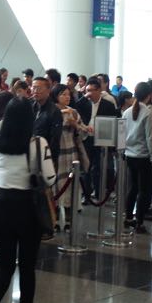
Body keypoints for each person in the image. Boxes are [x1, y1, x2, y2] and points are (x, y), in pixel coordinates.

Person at [0, 97, 55, 303]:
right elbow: (51, 178)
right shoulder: (38, 143)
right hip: (28, 207)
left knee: (4, 264)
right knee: (27, 265)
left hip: (2, 205)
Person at [121, 81, 152, 235]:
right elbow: (151, 137)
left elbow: (123, 134)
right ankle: (139, 221)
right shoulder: (148, 112)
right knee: (144, 190)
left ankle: (128, 217)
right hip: (144, 157)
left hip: (130, 155)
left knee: (133, 188)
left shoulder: (126, 112)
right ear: (149, 95)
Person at [76, 77, 119, 202]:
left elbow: (113, 122)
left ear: (99, 90)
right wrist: (84, 97)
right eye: (87, 90)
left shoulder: (108, 104)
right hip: (86, 138)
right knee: (86, 167)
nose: (89, 93)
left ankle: (99, 194)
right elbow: (75, 107)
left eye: (91, 90)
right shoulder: (84, 102)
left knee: (98, 168)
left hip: (101, 140)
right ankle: (86, 194)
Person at [53, 84, 89, 231]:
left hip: (71, 153)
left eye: (68, 94)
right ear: (56, 96)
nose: (67, 97)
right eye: (63, 94)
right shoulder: (52, 111)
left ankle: (68, 220)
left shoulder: (73, 112)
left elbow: (84, 133)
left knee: (70, 187)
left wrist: (76, 126)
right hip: (56, 154)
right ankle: (54, 220)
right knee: (55, 187)